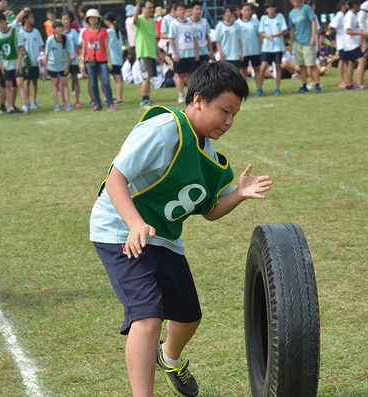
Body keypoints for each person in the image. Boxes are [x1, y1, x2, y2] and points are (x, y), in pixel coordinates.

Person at [89, 61, 272, 397]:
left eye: (235, 114)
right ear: (199, 99)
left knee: (189, 317)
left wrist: (239, 195)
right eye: (224, 111)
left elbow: (211, 211)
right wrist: (135, 223)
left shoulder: (210, 156)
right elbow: (115, 178)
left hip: (163, 237)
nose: (229, 122)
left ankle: (169, 358)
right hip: (119, 227)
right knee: (147, 317)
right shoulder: (164, 128)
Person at [0, 10, 30, 114]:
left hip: (17, 61)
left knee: (19, 83)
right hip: (6, 63)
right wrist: (1, 63)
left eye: (1, 22)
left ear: (5, 21)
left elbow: (21, 46)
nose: (0, 25)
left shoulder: (14, 31)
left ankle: (25, 106)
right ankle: (10, 107)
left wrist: (19, 61)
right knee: (8, 84)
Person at [80, 9, 115, 112]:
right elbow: (83, 48)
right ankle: (97, 104)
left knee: (105, 82)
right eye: (90, 17)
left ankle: (110, 103)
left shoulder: (103, 31)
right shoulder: (85, 32)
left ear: (98, 19)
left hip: (102, 60)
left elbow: (106, 47)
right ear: (87, 19)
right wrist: (82, 62)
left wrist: (109, 61)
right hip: (90, 60)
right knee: (93, 83)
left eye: (94, 17)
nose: (93, 19)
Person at [169, 2, 199, 104]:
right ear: (176, 11)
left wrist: (197, 52)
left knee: (190, 75)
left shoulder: (191, 24)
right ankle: (180, 94)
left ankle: (190, 95)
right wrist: (175, 54)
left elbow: (195, 39)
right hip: (179, 54)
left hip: (190, 53)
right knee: (180, 75)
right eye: (180, 10)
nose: (182, 12)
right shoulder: (174, 24)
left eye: (183, 10)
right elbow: (171, 40)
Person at [289, 0, 322, 94]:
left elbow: (313, 21)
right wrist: (292, 44)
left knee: (311, 64)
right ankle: (304, 86)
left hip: (308, 41)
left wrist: (313, 37)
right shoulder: (291, 13)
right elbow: (292, 29)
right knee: (302, 65)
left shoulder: (306, 8)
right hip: (298, 42)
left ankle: (317, 85)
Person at [133, 0, 160, 109]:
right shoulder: (139, 19)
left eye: (152, 7)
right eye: (149, 7)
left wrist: (159, 53)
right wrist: (138, 4)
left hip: (151, 53)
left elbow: (154, 38)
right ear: (143, 8)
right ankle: (144, 101)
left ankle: (148, 100)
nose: (151, 9)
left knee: (149, 77)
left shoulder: (152, 22)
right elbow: (134, 19)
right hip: (143, 52)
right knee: (146, 77)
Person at [257, 1, 287, 96]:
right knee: (263, 67)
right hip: (267, 48)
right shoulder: (263, 18)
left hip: (278, 47)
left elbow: (283, 30)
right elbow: (261, 32)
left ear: (275, 8)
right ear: (266, 9)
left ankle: (277, 88)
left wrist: (274, 35)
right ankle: (260, 88)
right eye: (268, 7)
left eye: (272, 7)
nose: (270, 9)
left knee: (278, 66)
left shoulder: (280, 17)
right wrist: (267, 36)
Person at [43, 21, 74, 111]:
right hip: (52, 65)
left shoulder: (66, 38)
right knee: (55, 84)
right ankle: (57, 104)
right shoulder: (50, 40)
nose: (60, 29)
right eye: (58, 27)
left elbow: (68, 53)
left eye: (61, 27)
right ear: (54, 30)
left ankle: (67, 103)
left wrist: (67, 67)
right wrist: (45, 69)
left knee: (64, 83)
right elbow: (46, 55)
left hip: (63, 64)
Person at [20, 9, 45, 109]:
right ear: (26, 19)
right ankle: (27, 101)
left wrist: (42, 57)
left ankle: (34, 101)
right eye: (31, 18)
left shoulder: (36, 32)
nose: (33, 19)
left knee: (35, 81)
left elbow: (41, 46)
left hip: (36, 62)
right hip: (26, 63)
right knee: (27, 82)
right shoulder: (20, 32)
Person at [342, 0, 368, 90]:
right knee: (362, 61)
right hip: (351, 44)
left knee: (351, 62)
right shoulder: (350, 15)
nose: (360, 6)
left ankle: (349, 84)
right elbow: (347, 31)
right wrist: (361, 34)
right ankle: (359, 83)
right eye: (358, 4)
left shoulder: (353, 15)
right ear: (354, 5)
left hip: (351, 43)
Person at [236, 2, 262, 94]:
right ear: (241, 11)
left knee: (257, 69)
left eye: (249, 10)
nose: (247, 12)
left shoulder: (256, 22)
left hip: (255, 50)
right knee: (243, 70)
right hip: (243, 51)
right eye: (245, 10)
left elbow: (260, 36)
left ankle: (259, 88)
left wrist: (260, 48)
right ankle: (245, 90)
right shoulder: (237, 23)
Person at [61, 11, 82, 109]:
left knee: (75, 79)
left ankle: (77, 101)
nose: (66, 21)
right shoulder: (59, 33)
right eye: (64, 19)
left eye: (67, 19)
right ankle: (65, 101)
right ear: (61, 20)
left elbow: (77, 45)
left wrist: (74, 55)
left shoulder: (74, 32)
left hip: (73, 60)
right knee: (63, 81)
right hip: (63, 61)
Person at [105, 12, 125, 105]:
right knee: (118, 79)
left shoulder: (109, 31)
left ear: (108, 21)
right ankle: (119, 98)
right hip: (118, 58)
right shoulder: (118, 31)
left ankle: (118, 99)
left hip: (111, 59)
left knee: (114, 79)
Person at [329, 0, 349, 88]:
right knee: (342, 60)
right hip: (342, 42)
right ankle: (342, 80)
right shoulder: (340, 15)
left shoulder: (344, 15)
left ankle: (348, 79)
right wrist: (337, 31)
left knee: (346, 61)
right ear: (342, 6)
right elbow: (331, 26)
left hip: (345, 41)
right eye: (347, 5)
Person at [190, 1, 213, 68]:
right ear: (192, 9)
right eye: (197, 9)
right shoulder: (188, 22)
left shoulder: (204, 22)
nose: (198, 11)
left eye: (200, 9)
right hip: (192, 52)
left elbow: (207, 37)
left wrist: (210, 50)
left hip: (203, 51)